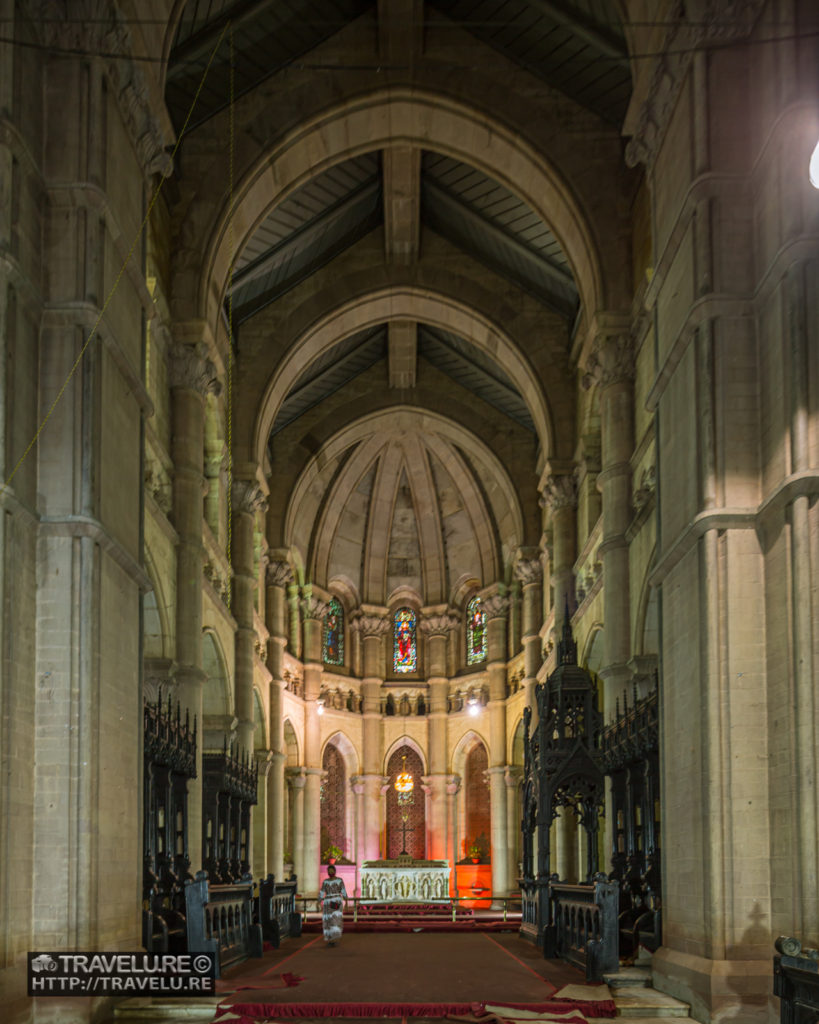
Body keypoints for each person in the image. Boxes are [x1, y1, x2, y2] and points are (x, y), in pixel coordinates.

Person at [318, 863, 347, 947]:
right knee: (328, 921)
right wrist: (318, 902)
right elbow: (321, 892)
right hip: (327, 902)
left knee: (335, 920)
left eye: (332, 870)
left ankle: (335, 939)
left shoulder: (339, 880)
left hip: (336, 901)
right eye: (329, 871)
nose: (330, 872)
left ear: (334, 871)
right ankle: (330, 939)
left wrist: (347, 902)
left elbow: (343, 891)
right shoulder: (325, 882)